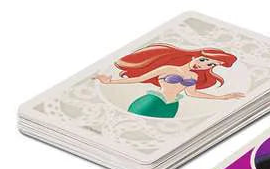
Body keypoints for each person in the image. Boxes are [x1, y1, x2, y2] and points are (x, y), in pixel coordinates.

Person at [94, 43, 243, 119]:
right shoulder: (168, 68)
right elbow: (140, 78)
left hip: (172, 106)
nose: (204, 65)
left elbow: (192, 93)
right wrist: (109, 82)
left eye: (211, 64)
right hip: (151, 101)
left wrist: (221, 97)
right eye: (203, 60)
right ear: (194, 56)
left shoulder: (194, 76)